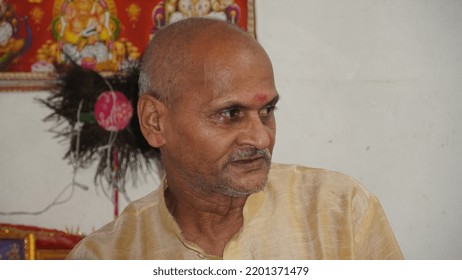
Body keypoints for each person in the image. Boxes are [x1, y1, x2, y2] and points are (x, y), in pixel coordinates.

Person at [67, 17, 403, 259]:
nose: (260, 138)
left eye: (267, 111)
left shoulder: (341, 214)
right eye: (230, 114)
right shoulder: (105, 258)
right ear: (155, 122)